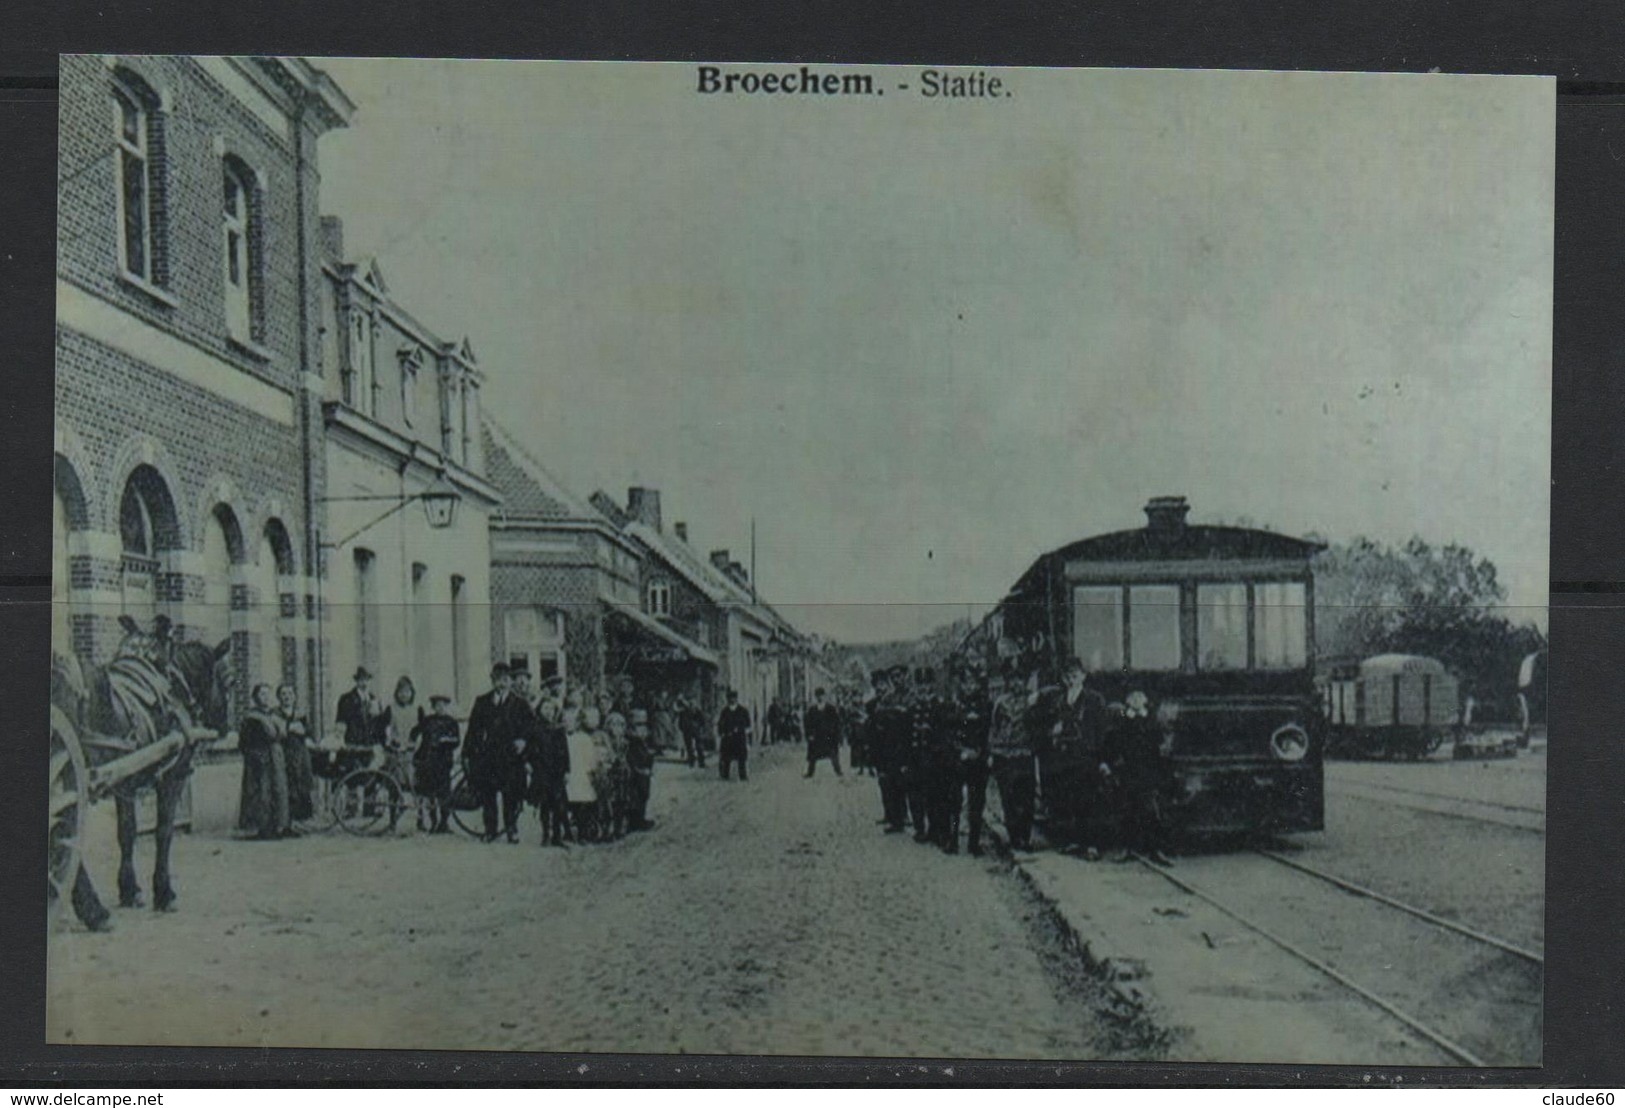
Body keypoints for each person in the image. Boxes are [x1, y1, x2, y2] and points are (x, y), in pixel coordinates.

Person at [1041, 656, 1109, 855]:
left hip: (1087, 756)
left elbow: (1101, 731)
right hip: (1065, 756)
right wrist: (1054, 730)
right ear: (1063, 679)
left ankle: (1092, 845)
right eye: (1068, 676)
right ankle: (1075, 841)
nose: (1071, 680)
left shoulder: (1094, 699)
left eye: (1075, 675)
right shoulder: (1059, 700)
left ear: (1083, 677)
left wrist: (1102, 759)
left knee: (1090, 801)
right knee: (1071, 800)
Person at [1102, 690, 1175, 865]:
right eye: (1132, 698)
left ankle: (1156, 850)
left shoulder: (1151, 721)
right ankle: (1127, 849)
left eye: (1139, 698)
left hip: (1147, 772)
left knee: (1151, 812)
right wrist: (1107, 763)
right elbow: (1112, 742)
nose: (1136, 701)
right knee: (1127, 811)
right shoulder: (1122, 719)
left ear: (1145, 700)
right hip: (1127, 771)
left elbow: (1160, 745)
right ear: (1127, 701)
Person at [463, 662, 527, 843]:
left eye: (505, 680)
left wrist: (524, 741)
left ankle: (511, 829)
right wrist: (467, 753)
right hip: (488, 756)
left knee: (511, 796)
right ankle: (490, 829)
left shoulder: (520, 704)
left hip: (511, 757)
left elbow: (530, 728)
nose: (502, 684)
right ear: (492, 681)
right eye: (498, 680)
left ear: (511, 682)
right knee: (488, 795)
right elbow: (473, 730)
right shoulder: (482, 702)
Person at [238, 683, 291, 841]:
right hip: (260, 760)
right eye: (262, 695)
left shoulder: (274, 715)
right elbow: (245, 742)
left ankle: (277, 826)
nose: (265, 698)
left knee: (278, 790)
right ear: (255, 698)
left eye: (267, 694)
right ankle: (264, 828)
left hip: (276, 758)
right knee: (262, 793)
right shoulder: (252, 718)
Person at [411, 694, 461, 833]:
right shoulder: (428, 720)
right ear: (433, 707)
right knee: (429, 794)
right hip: (427, 761)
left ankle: (444, 823)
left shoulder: (452, 722)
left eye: (443, 705)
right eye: (437, 705)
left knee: (444, 794)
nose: (440, 707)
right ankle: (433, 822)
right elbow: (415, 731)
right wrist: (411, 742)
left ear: (446, 706)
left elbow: (456, 740)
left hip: (443, 762)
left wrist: (447, 741)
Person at [955, 672, 993, 856]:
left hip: (979, 760)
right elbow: (948, 732)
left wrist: (982, 752)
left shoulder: (986, 706)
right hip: (959, 759)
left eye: (973, 682)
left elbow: (990, 733)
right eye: (966, 682)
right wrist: (960, 750)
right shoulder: (954, 706)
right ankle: (952, 840)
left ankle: (974, 843)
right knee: (954, 801)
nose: (970, 687)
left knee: (977, 803)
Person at [527, 690, 571, 846]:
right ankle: (546, 833)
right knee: (544, 805)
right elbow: (530, 750)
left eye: (551, 709)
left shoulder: (559, 730)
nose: (548, 712)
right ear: (540, 710)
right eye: (545, 708)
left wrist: (567, 771)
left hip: (557, 772)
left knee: (558, 804)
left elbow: (565, 753)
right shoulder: (535, 729)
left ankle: (557, 836)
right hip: (541, 771)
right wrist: (529, 764)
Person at [868, 668, 910, 832]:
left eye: (883, 684)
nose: (881, 688)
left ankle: (901, 816)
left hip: (900, 746)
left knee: (899, 783)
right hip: (885, 747)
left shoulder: (900, 698)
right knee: (887, 783)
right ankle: (893, 817)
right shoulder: (884, 701)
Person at [276, 683, 316, 827]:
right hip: (284, 753)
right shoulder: (276, 714)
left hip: (300, 753)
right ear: (279, 698)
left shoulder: (300, 714)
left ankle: (301, 821)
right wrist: (290, 728)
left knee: (301, 783)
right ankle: (287, 821)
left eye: (289, 694)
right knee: (287, 785)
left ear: (294, 697)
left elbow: (308, 732)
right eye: (283, 694)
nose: (287, 697)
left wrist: (305, 734)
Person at [563, 707, 600, 842]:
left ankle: (583, 832)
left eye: (571, 721)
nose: (567, 724)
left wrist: (591, 772)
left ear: (577, 723)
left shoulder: (584, 739)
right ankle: (567, 832)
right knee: (568, 804)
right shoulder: (560, 738)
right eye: (565, 721)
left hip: (581, 774)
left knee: (583, 805)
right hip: (568, 775)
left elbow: (590, 758)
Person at [625, 708, 657, 831]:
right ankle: (635, 821)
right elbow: (631, 755)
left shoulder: (646, 733)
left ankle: (641, 818)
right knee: (635, 795)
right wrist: (637, 768)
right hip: (636, 769)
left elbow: (649, 746)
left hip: (645, 767)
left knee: (644, 793)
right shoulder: (630, 736)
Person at [803, 686, 843, 778]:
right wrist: (809, 735)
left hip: (829, 736)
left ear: (824, 696)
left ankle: (838, 771)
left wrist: (838, 736)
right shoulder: (812, 710)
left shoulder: (831, 709)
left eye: (821, 695)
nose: (820, 698)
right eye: (818, 696)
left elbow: (837, 722)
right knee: (813, 755)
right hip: (817, 736)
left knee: (833, 754)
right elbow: (808, 724)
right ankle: (810, 772)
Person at [334, 666, 379, 747]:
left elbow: (377, 724)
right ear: (356, 681)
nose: (364, 683)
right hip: (353, 744)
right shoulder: (346, 699)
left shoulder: (373, 700)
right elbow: (340, 723)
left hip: (369, 745)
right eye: (361, 680)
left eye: (366, 680)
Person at [717, 690, 752, 781]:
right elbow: (720, 723)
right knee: (726, 757)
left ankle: (742, 775)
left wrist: (744, 732)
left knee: (741, 758)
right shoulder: (725, 711)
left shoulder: (742, 711)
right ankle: (725, 774)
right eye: (730, 698)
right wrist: (721, 732)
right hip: (728, 738)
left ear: (736, 699)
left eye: (733, 698)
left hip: (739, 738)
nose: (732, 700)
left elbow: (747, 724)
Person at [678, 694, 708, 768]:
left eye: (692, 702)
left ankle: (700, 762)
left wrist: (700, 727)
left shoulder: (696, 710)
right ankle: (692, 761)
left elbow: (702, 719)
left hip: (695, 730)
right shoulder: (684, 711)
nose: (691, 703)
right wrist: (682, 728)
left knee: (699, 746)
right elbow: (681, 721)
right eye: (690, 702)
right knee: (689, 747)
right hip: (688, 730)